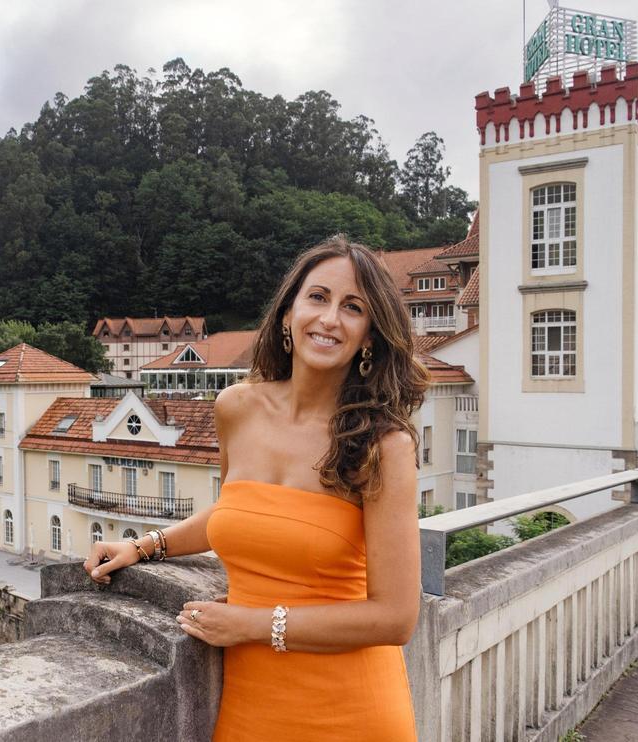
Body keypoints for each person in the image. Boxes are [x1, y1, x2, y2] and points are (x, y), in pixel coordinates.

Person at [83, 235, 428, 741]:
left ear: (369, 336)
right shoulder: (236, 408)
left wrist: (251, 625)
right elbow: (240, 512)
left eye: (353, 308)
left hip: (352, 709)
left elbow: (396, 618)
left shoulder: (382, 444)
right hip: (251, 707)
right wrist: (144, 545)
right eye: (318, 297)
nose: (330, 318)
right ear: (288, 313)